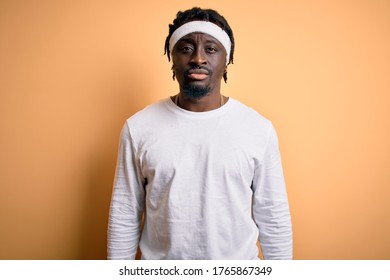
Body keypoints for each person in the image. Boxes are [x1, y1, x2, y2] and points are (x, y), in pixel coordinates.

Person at [108, 7, 292, 260]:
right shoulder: (139, 127)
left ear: (226, 60)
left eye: (211, 49)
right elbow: (125, 213)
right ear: (172, 57)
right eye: (185, 48)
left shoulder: (258, 129)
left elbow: (273, 216)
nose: (198, 58)